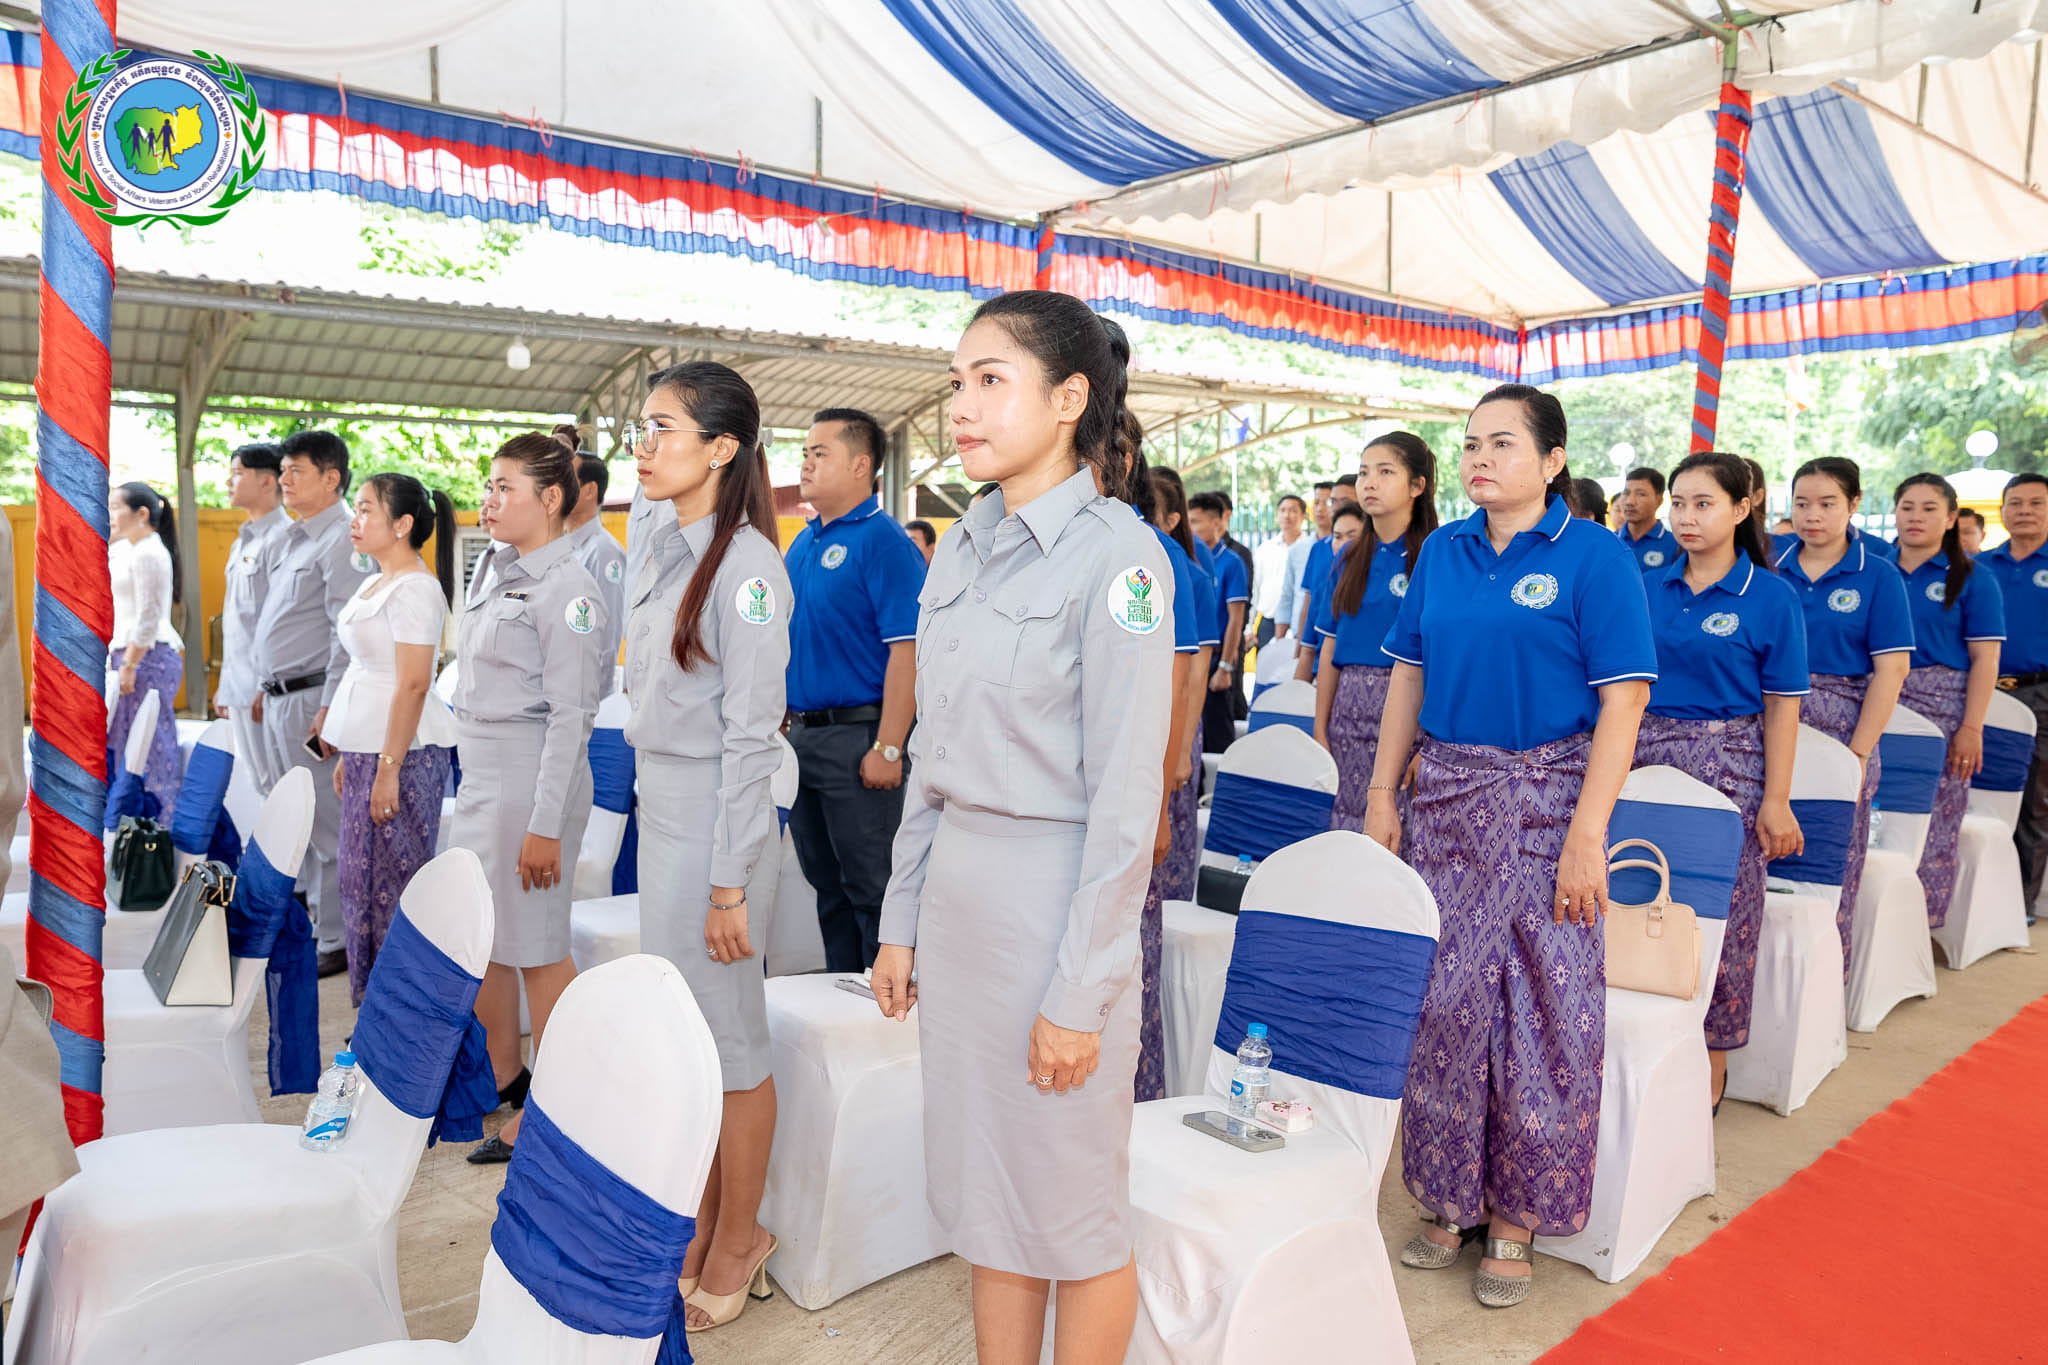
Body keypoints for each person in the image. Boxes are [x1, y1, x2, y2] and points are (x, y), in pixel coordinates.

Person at [872, 291, 1171, 1364]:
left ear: (1068, 398)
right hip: (961, 905)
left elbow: (1127, 805)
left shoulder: (1120, 560)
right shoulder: (963, 547)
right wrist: (899, 919)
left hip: (1055, 911)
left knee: (1072, 1212)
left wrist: (1080, 993)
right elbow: (929, 759)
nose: (961, 405)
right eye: (957, 381)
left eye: (990, 380)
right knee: (990, 1201)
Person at [1369, 383, 1654, 1309]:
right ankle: (1449, 1195)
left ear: (1553, 459)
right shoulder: (1443, 551)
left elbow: (1625, 701)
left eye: (1501, 443)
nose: (1479, 459)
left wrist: (1587, 832)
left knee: (1540, 1005)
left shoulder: (1596, 557)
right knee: (1446, 1001)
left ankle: (1518, 1214)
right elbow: (1407, 675)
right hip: (1448, 803)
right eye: (1470, 444)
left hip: (1548, 806)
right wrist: (1382, 794)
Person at [625, 362, 789, 1331]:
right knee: (686, 1032)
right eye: (640, 429)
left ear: (722, 448)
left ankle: (740, 1234)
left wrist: (729, 885)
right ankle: (697, 1220)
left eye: (663, 429)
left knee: (730, 1037)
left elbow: (749, 737)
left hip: (718, 821)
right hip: (664, 806)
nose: (644, 448)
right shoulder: (661, 544)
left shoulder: (749, 570)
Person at [1635, 452, 1807, 1112]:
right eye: (1678, 502)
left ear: (1742, 507)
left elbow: (1783, 706)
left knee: (1725, 915)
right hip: (1643, 760)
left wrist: (1776, 797)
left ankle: (1713, 1058)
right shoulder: (1646, 585)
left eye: (1703, 503)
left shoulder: (1770, 596)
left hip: (1728, 764)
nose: (1686, 516)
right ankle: (1640, 1041)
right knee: (1637, 894)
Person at [450, 433, 605, 1165]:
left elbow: (572, 718)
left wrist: (545, 824)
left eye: (504, 487)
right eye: (489, 485)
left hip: (530, 777)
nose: (489, 500)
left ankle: (560, 1104)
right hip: (483, 771)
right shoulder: (498, 570)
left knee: (537, 947)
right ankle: (504, 1073)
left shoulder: (570, 589)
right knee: (492, 939)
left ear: (549, 499)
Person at [785, 406, 926, 972]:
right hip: (804, 738)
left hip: (860, 738)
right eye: (805, 453)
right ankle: (839, 999)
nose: (806, 464)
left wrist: (889, 747)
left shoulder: (884, 542)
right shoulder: (803, 544)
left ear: (861, 465)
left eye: (820, 453)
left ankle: (884, 1005)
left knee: (873, 888)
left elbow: (907, 651)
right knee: (826, 885)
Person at [318, 474, 459, 1006]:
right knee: (360, 883)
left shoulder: (416, 588)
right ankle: (374, 1011)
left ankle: (399, 1015)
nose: (355, 521)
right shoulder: (376, 581)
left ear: (402, 525)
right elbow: (365, 671)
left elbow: (414, 683)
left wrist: (388, 767)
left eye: (366, 510)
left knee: (392, 888)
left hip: (404, 754)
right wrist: (352, 752)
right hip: (372, 750)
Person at [1777, 457, 1913, 977]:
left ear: (1853, 504)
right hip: (1771, 729)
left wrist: (1857, 753)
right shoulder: (1770, 570)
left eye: (1827, 503)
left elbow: (1892, 670)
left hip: (1842, 735)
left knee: (1831, 862)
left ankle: (1826, 984)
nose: (1812, 515)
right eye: (1802, 503)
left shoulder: (1877, 575)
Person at [252, 431, 369, 977]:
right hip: (281, 697)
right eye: (283, 471)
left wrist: (330, 708)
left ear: (332, 478)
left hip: (311, 702)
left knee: (325, 823)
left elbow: (346, 635)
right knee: (292, 816)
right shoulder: (294, 538)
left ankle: (337, 937)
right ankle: (309, 923)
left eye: (296, 470)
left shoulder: (344, 540)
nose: (285, 480)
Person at [1892, 474, 2005, 930]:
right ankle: (1871, 919)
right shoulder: (1875, 570)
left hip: (1942, 711)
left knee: (1935, 816)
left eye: (1929, 509)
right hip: (1876, 703)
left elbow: (1985, 659)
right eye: (1907, 507)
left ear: (1952, 518)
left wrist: (1972, 727)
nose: (1915, 518)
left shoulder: (1974, 578)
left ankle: (1919, 926)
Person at [1312, 434, 1437, 834]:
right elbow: (1329, 646)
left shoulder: (1436, 557)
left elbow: (1444, 656)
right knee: (1347, 823)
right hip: (1348, 711)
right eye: (1364, 472)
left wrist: (1432, 740)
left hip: (1410, 711)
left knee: (1401, 827)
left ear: (1417, 485)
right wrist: (1320, 727)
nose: (1369, 482)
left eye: (1385, 472)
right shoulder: (1346, 558)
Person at [1973, 473, 2048, 918]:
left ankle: (2018, 903)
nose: (2024, 511)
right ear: (2002, 511)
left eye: (2036, 503)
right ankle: (1976, 897)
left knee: (2033, 800)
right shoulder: (1979, 567)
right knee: (1974, 792)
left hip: (2040, 693)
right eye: (2016, 503)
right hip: (1981, 693)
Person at [1150, 466, 1219, 908]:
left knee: (1167, 837)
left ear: (1172, 520)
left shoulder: (1190, 574)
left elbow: (1195, 673)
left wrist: (1181, 751)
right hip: (1149, 720)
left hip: (1178, 723)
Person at [106, 481, 186, 822]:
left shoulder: (150, 552)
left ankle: (162, 829)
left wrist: (129, 663)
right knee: (128, 745)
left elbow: (149, 615)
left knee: (152, 746)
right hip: (132, 656)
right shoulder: (132, 549)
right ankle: (132, 826)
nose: (110, 515)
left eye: (116, 508)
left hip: (146, 658)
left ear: (141, 514)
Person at [214, 443, 289, 791]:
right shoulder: (243, 540)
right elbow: (238, 621)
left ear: (267, 481)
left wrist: (265, 682)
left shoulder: (283, 539)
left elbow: (282, 622)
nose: (229, 482)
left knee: (277, 784)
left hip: (266, 689)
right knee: (258, 783)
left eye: (237, 473)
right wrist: (225, 685)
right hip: (240, 683)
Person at [558, 426, 628, 700]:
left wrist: (591, 701)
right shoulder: (561, 546)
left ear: (589, 490)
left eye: (566, 480)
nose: (556, 488)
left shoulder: (603, 551)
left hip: (584, 700)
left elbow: (607, 635)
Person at [1188, 491, 1250, 752]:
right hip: (1191, 659)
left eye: (1195, 521)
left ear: (1216, 523)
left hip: (1216, 661)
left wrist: (1225, 668)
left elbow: (1236, 619)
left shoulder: (1232, 562)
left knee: (1218, 739)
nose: (1190, 528)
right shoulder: (1190, 559)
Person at [1291, 475, 1361, 679]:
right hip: (1317, 658)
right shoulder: (1319, 549)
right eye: (1333, 501)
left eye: (1344, 501)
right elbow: (1310, 602)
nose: (1335, 507)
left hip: (1352, 666)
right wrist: (1300, 650)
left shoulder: (1375, 555)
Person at [1256, 493, 1308, 645]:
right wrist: (1248, 628)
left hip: (1299, 624)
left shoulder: (1310, 548)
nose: (1287, 515)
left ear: (1304, 516)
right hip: (1268, 623)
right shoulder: (1265, 549)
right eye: (1282, 510)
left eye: (1293, 510)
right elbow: (1255, 588)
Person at [1615, 466, 1677, 572]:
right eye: (1626, 493)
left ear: (1659, 501)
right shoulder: (1610, 541)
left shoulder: (1675, 546)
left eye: (1641, 494)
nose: (1630, 501)